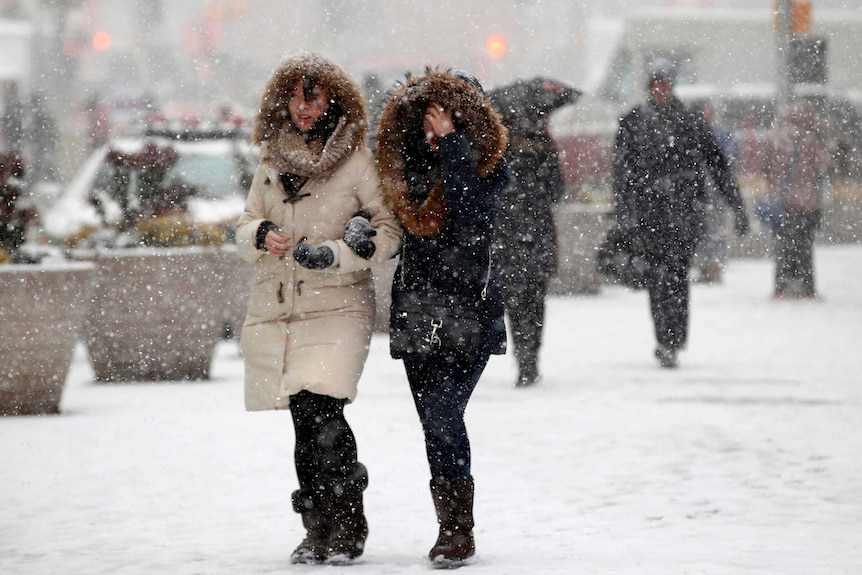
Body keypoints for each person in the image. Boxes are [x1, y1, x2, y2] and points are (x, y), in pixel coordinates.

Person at [234, 53, 402, 565]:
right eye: (295, 97)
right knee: (303, 422)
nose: (304, 108)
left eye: (314, 96)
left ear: (334, 100)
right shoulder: (270, 162)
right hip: (283, 305)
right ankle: (316, 526)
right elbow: (244, 224)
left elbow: (389, 233)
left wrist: (338, 252)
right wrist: (261, 235)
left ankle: (348, 521)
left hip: (340, 306)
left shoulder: (356, 162)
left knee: (321, 407)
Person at [376, 68, 508, 567]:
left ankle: (458, 530)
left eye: (446, 115)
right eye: (429, 116)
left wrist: (452, 146)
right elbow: (388, 222)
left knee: (443, 414)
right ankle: (449, 525)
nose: (435, 125)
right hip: (419, 313)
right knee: (434, 424)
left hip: (470, 312)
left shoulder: (488, 165)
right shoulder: (405, 170)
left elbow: (470, 219)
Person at [612, 59, 750, 369]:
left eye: (665, 83)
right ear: (649, 86)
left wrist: (736, 205)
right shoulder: (633, 121)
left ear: (672, 86)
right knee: (657, 280)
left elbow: (717, 165)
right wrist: (624, 213)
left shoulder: (691, 120)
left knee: (676, 278)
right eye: (655, 83)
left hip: (684, 215)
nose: (660, 89)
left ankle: (673, 339)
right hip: (650, 216)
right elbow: (621, 173)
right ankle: (664, 339)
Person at [491, 78, 578, 387]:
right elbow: (557, 191)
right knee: (535, 299)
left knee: (515, 300)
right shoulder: (545, 145)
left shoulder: (499, 147)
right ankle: (531, 357)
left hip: (508, 235)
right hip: (537, 231)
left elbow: (491, 190)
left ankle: (524, 358)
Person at [766, 101, 831, 299]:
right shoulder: (811, 138)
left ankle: (780, 288)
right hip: (806, 203)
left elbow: (763, 164)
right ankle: (808, 289)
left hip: (781, 202)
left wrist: (774, 184)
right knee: (804, 247)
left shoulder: (775, 136)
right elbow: (823, 164)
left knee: (783, 247)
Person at [693, 101, 740, 284]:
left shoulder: (721, 134)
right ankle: (704, 265)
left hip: (715, 191)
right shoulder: (693, 134)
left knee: (715, 229)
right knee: (700, 230)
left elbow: (730, 159)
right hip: (697, 192)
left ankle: (714, 266)